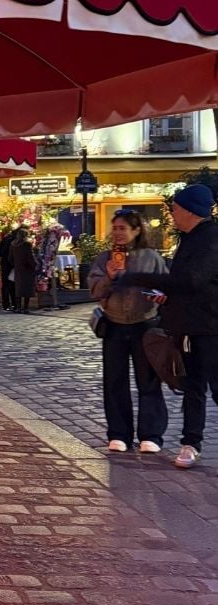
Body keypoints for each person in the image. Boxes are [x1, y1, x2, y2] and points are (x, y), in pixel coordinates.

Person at [120, 183, 218, 469]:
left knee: (212, 386)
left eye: (175, 209)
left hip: (210, 328)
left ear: (189, 211)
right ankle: (191, 443)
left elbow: (191, 281)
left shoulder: (210, 239)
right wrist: (166, 297)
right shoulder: (190, 238)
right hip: (189, 326)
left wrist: (139, 277)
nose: (172, 214)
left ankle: (191, 443)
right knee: (193, 387)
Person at [88, 209, 168, 454]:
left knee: (149, 380)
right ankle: (119, 433)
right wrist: (109, 278)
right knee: (115, 381)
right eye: (115, 228)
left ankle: (151, 434)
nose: (118, 233)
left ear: (136, 231)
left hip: (145, 324)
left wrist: (157, 297)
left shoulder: (151, 257)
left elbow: (166, 287)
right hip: (114, 325)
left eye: (123, 228)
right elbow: (94, 291)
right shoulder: (104, 258)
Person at [9, 228, 38, 314]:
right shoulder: (26, 244)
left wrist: (15, 264)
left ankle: (18, 307)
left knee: (18, 288)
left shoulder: (13, 244)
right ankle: (25, 308)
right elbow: (30, 257)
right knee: (27, 288)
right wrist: (34, 265)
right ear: (25, 236)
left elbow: (10, 258)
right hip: (27, 268)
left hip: (18, 269)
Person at [0, 227, 18, 312]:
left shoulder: (4, 240)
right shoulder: (16, 241)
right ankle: (15, 304)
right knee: (13, 285)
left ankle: (5, 304)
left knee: (5, 285)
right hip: (13, 265)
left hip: (4, 265)